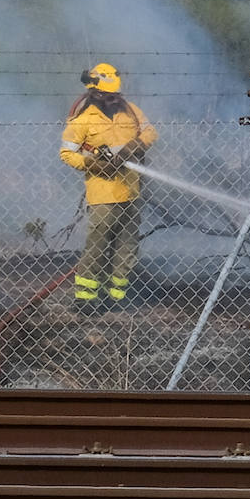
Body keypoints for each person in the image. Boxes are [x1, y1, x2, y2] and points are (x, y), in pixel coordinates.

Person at [59, 62, 159, 313]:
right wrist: (92, 164)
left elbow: (150, 133)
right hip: (103, 192)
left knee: (127, 246)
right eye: (106, 95)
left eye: (114, 95)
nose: (111, 99)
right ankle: (86, 298)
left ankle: (117, 295)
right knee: (98, 244)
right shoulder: (82, 120)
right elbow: (66, 153)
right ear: (94, 92)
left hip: (131, 190)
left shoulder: (131, 111)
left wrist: (133, 146)